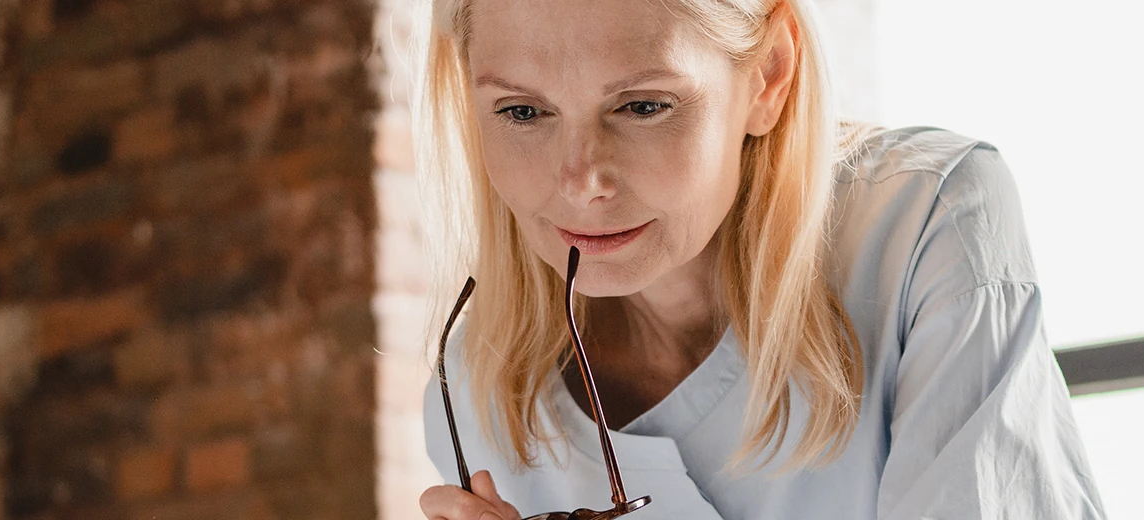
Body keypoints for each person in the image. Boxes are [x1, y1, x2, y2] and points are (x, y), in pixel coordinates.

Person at [414, 0, 1102, 518]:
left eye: (643, 105)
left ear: (768, 77)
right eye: (522, 113)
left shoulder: (926, 226)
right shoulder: (479, 387)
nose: (582, 180)